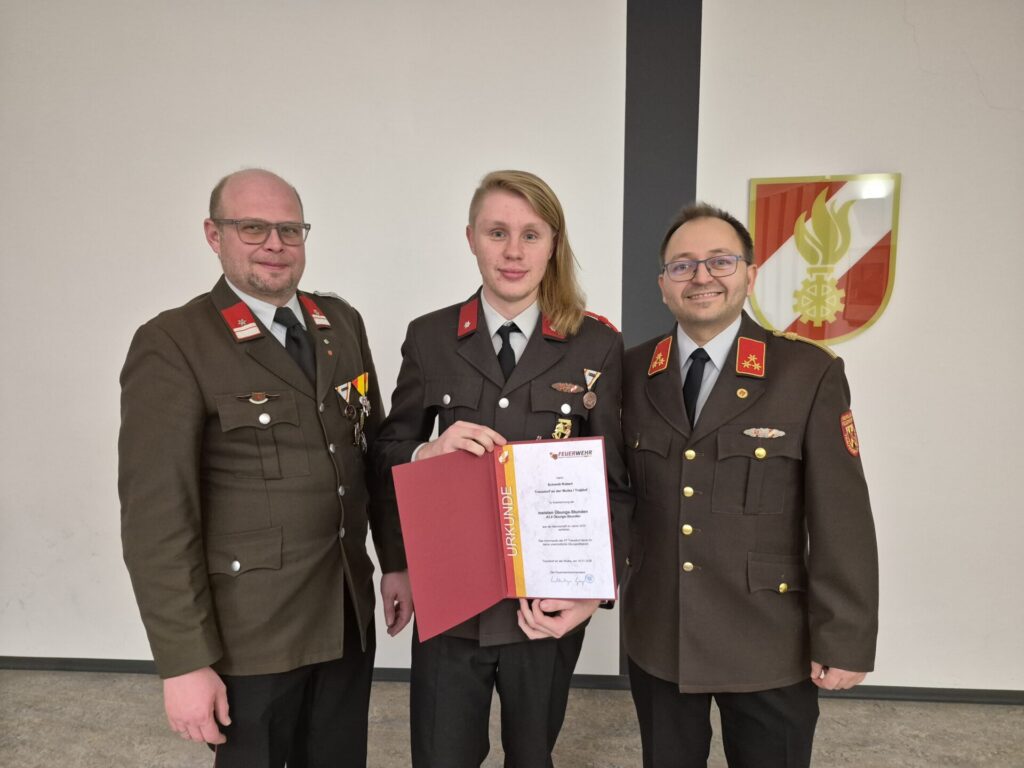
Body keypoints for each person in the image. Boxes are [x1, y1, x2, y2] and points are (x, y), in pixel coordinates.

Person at [118, 168, 412, 768]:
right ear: (214, 235)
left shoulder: (340, 324)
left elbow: (371, 456)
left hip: (344, 614)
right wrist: (183, 662)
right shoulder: (174, 342)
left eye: (289, 229)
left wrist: (397, 561)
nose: (275, 244)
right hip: (251, 634)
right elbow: (157, 519)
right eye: (253, 228)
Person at [373, 170, 632, 767]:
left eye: (530, 235)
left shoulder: (596, 345)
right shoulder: (431, 337)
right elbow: (387, 451)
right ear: (471, 238)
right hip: (449, 596)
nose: (513, 251)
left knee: (532, 756)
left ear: (553, 243)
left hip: (544, 605)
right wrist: (399, 556)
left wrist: (594, 592)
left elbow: (615, 484)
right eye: (497, 232)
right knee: (441, 756)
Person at [620, 203, 878, 768]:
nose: (702, 277)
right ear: (663, 284)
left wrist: (845, 637)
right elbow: (616, 496)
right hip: (661, 633)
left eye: (720, 261)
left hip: (769, 640)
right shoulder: (633, 372)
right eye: (682, 265)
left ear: (750, 275)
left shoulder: (807, 373)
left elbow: (841, 516)